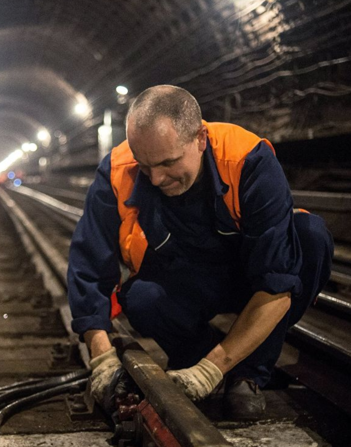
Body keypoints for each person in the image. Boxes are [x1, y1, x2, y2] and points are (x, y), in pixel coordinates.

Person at [67, 85, 334, 417]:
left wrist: (214, 368)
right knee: (141, 297)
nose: (155, 178)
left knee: (310, 236)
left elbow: (276, 279)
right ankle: (194, 355)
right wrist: (102, 356)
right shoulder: (118, 169)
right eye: (145, 165)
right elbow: (88, 263)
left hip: (249, 278)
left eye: (168, 163)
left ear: (200, 139)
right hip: (186, 279)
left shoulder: (247, 159)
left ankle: (248, 373)